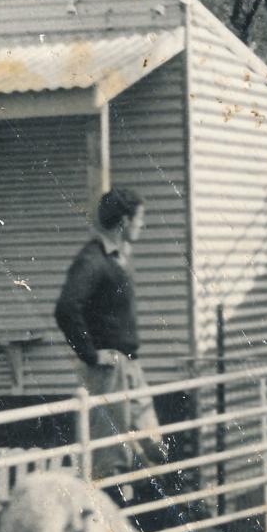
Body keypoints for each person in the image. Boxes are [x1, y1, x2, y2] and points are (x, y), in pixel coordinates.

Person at [55, 187, 168, 491]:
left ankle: (162, 526)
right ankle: (110, 529)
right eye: (139, 219)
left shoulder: (118, 258)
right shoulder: (93, 259)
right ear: (123, 221)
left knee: (154, 446)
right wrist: (91, 355)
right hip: (109, 370)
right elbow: (67, 307)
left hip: (130, 365)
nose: (142, 226)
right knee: (111, 456)